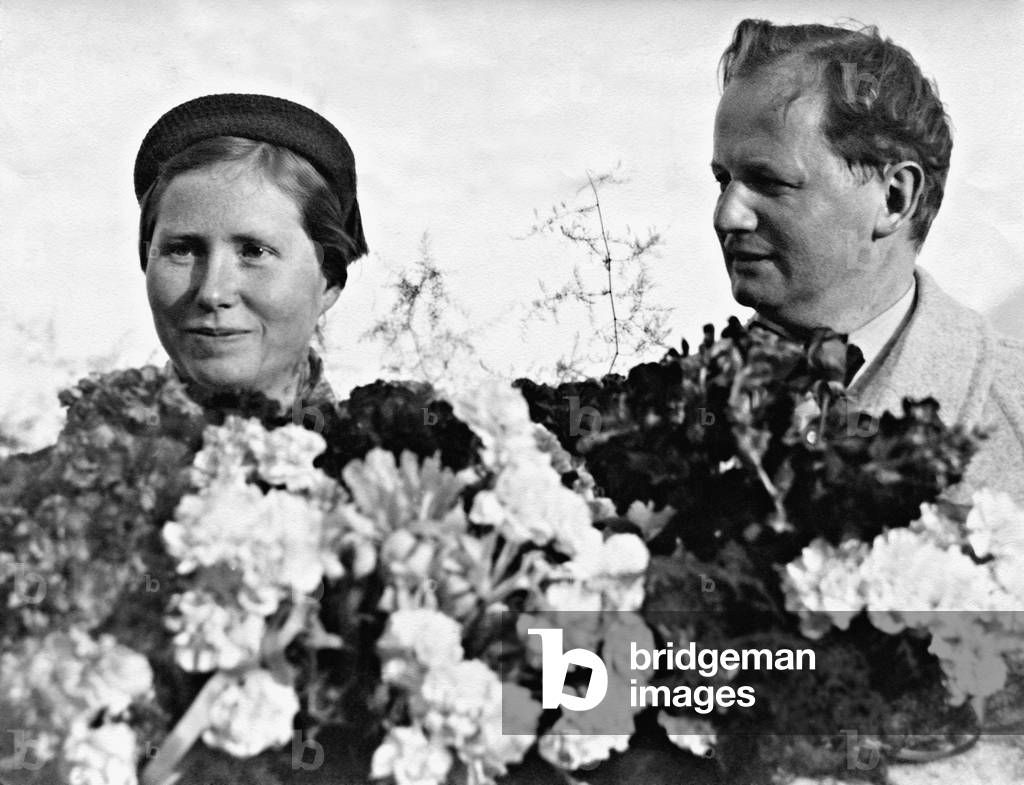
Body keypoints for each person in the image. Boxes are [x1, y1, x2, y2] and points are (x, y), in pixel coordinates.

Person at [711, 19, 1024, 505]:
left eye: (770, 181)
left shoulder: (1013, 411)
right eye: (723, 180)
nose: (727, 215)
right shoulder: (665, 413)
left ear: (895, 198)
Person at [134, 93, 369, 410]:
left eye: (254, 251)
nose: (212, 293)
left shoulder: (404, 459)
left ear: (327, 281)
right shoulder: (72, 461)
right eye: (183, 250)